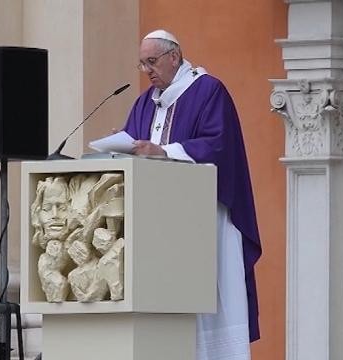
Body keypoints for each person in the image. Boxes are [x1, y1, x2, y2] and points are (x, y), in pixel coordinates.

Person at [122, 29, 261, 360]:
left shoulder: (208, 91)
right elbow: (135, 145)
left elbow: (220, 145)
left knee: (214, 295)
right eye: (142, 65)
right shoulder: (144, 103)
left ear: (175, 56)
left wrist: (165, 152)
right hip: (158, 226)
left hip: (205, 219)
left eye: (152, 62)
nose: (148, 71)